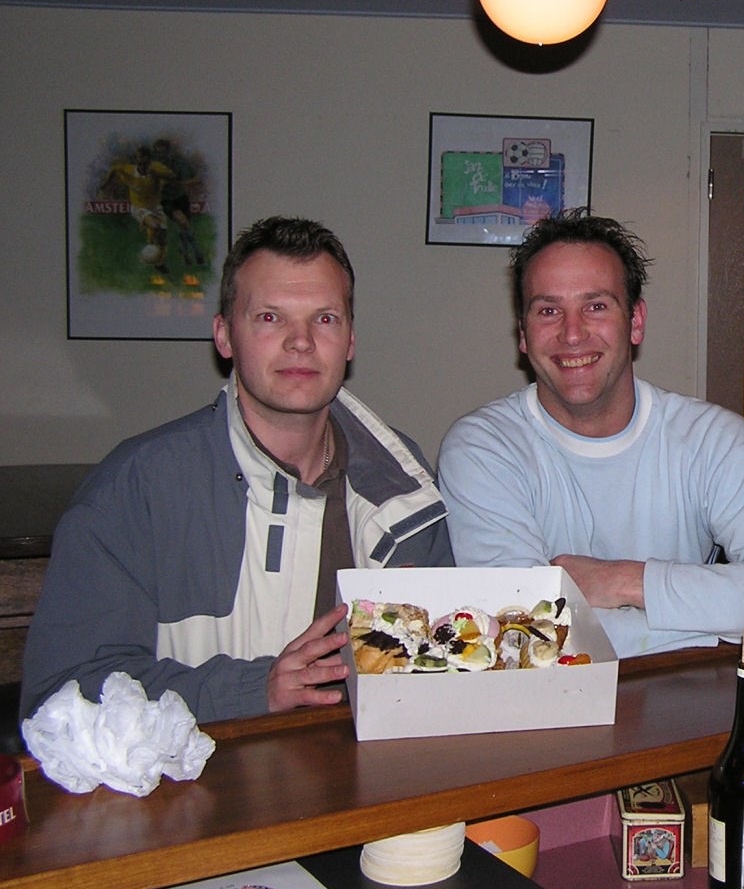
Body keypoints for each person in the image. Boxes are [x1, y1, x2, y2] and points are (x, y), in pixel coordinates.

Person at [21, 217, 454, 724]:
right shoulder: (137, 488)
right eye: (270, 318)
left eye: (325, 319)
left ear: (351, 341)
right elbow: (60, 698)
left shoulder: (403, 489)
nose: (300, 341)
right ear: (224, 336)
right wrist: (252, 691)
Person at [437, 209, 744, 657]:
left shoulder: (715, 441)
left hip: (687, 698)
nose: (572, 334)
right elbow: (523, 638)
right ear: (523, 334)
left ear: (635, 321)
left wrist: (625, 581)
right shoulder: (483, 449)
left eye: (596, 306)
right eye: (548, 310)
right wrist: (717, 626)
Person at [99, 145, 174, 276]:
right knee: (154, 225)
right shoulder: (128, 170)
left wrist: (160, 174)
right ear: (136, 161)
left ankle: (159, 264)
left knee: (162, 239)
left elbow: (172, 176)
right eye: (140, 163)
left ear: (149, 161)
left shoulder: (156, 168)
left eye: (145, 163)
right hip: (138, 207)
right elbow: (114, 169)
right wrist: (105, 185)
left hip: (156, 207)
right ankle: (148, 249)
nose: (142, 166)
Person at [151, 137, 207, 269]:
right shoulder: (154, 167)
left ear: (168, 152)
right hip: (167, 200)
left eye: (163, 152)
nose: (161, 155)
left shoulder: (179, 164)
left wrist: (180, 183)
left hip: (181, 198)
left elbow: (196, 179)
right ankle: (197, 252)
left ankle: (185, 253)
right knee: (183, 222)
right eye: (158, 152)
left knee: (185, 227)